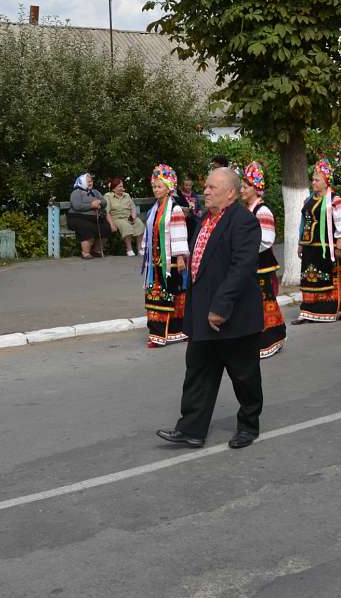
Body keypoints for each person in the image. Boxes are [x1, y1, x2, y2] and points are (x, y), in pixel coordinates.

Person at [156, 167, 265, 450]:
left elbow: (241, 268)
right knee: (198, 372)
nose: (205, 191)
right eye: (205, 186)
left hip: (233, 315)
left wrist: (220, 307)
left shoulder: (244, 221)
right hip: (204, 313)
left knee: (244, 375)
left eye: (211, 187)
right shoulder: (207, 218)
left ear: (230, 192)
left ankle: (248, 426)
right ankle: (191, 429)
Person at [295, 158, 341, 323]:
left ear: (326, 182)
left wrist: (339, 247)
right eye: (313, 179)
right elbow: (305, 222)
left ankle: (334, 309)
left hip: (330, 247)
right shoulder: (309, 199)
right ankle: (307, 311)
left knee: (330, 278)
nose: (313, 182)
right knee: (310, 277)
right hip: (311, 247)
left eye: (317, 179)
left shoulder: (335, 200)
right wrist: (301, 244)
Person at [239, 161, 286, 359]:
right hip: (248, 265)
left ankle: (270, 339)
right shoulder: (246, 210)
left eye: (245, 186)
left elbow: (266, 240)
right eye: (242, 185)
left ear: (256, 188)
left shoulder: (263, 211)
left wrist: (243, 250)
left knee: (264, 302)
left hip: (261, 266)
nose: (241, 189)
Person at [142, 164, 191, 348]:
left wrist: (179, 258)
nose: (155, 189)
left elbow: (179, 233)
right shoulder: (154, 210)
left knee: (172, 295)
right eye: (154, 186)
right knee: (156, 295)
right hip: (155, 262)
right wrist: (145, 253)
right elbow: (149, 233)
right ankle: (157, 333)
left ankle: (174, 331)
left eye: (159, 186)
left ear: (169, 187)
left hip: (169, 262)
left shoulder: (174, 209)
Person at [68, 173, 110, 259]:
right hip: (77, 217)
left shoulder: (95, 192)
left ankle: (96, 251)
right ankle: (85, 253)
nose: (90, 183)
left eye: (91, 181)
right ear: (82, 182)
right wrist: (91, 205)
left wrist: (99, 203)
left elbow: (104, 202)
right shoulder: (76, 192)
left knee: (106, 228)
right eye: (88, 182)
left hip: (94, 218)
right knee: (87, 227)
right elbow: (77, 205)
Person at [104, 178, 145, 257]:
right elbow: (107, 212)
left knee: (140, 224)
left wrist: (133, 217)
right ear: (114, 188)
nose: (122, 188)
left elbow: (133, 207)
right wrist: (111, 224)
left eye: (122, 186)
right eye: (120, 187)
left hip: (128, 217)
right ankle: (129, 249)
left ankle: (140, 248)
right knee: (126, 226)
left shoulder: (127, 195)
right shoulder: (108, 196)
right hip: (117, 218)